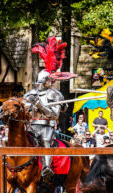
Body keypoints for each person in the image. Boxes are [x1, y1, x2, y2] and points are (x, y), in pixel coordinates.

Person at [22, 37, 72, 181]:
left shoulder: (54, 94)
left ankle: (46, 167)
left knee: (45, 141)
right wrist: (27, 106)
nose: (39, 85)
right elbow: (24, 109)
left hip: (46, 126)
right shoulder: (31, 93)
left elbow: (55, 115)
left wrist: (39, 105)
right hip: (31, 126)